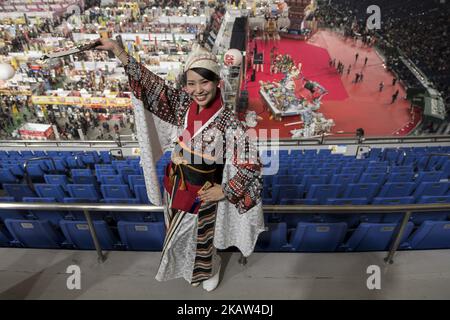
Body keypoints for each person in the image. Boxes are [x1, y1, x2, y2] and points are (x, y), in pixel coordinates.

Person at [95, 39, 264, 291]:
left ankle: (210, 269)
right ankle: (190, 269)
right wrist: (119, 52)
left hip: (202, 193)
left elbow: (252, 163)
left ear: (217, 82)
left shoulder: (229, 122)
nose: (198, 89)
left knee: (200, 240)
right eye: (191, 83)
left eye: (204, 82)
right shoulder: (184, 106)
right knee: (179, 237)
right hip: (174, 186)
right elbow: (152, 86)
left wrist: (226, 190)